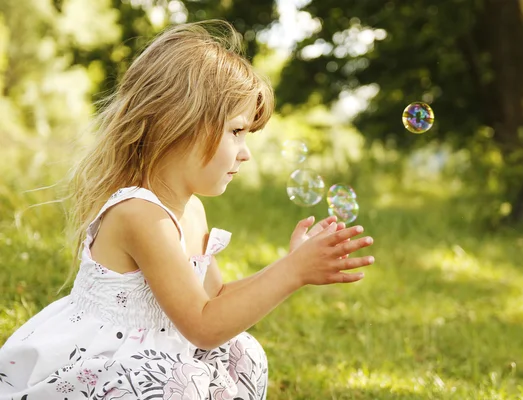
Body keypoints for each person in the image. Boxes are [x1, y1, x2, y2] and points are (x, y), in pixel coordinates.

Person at [0, 20, 374, 400]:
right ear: (181, 124)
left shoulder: (192, 210)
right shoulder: (140, 214)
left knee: (242, 355)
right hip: (103, 365)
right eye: (236, 131)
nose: (245, 152)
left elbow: (215, 298)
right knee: (173, 380)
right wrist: (292, 272)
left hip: (154, 355)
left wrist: (288, 263)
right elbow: (202, 325)